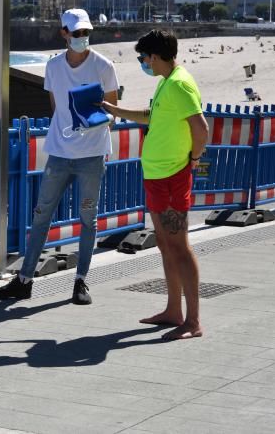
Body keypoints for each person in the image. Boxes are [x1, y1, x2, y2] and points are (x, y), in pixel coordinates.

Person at [0, 8, 119, 305]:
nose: (82, 38)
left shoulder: (104, 65)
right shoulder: (53, 66)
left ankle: (81, 281)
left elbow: (113, 111)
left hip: (92, 154)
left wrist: (92, 118)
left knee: (88, 218)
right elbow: (57, 108)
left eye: (86, 33)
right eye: (76, 33)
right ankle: (24, 280)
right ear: (63, 33)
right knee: (41, 216)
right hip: (59, 153)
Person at [102, 29, 208, 340]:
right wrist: (113, 110)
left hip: (173, 176)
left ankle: (194, 321)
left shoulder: (179, 84)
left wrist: (193, 159)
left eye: (142, 58)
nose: (142, 63)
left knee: (180, 247)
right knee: (165, 244)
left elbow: (200, 128)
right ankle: (174, 310)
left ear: (155, 57)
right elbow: (153, 116)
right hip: (157, 175)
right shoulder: (166, 82)